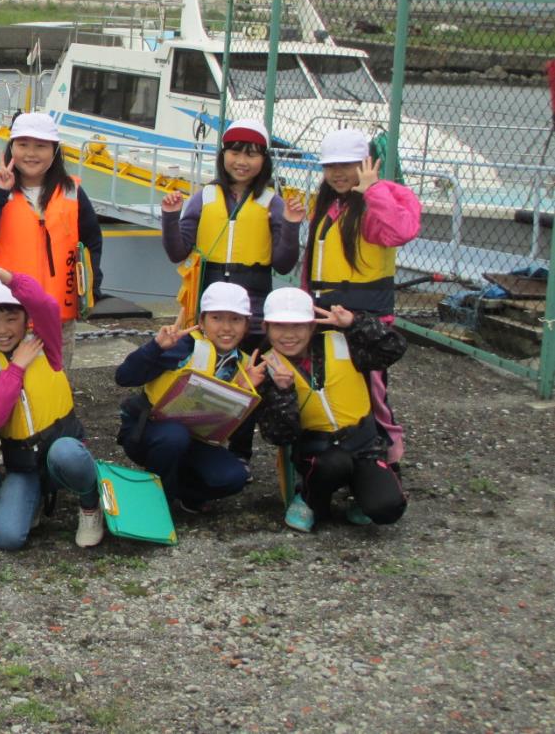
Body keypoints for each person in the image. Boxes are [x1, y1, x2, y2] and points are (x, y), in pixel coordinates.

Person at [159, 117, 304, 463]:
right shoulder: (203, 198)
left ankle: (240, 453)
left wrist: (293, 227)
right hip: (207, 305)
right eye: (235, 152)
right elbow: (178, 251)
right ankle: (198, 445)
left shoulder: (272, 202)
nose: (242, 161)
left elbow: (283, 263)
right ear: (223, 155)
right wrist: (170, 216)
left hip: (251, 310)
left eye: (252, 154)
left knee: (247, 380)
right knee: (202, 378)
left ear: (264, 160)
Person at [300, 128, 421, 464]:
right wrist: (303, 305)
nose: (337, 173)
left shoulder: (385, 198)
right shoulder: (328, 205)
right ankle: (329, 457)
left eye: (347, 164)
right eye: (330, 166)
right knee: (327, 385)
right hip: (325, 316)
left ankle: (387, 462)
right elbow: (313, 263)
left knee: (373, 396)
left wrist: (374, 190)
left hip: (366, 322)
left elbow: (401, 231)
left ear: (367, 162)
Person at [254, 287, 408, 531]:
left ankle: (362, 494)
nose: (289, 335)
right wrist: (284, 392)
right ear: (266, 328)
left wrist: (355, 323)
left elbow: (395, 348)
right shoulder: (265, 367)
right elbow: (278, 435)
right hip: (318, 450)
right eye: (279, 326)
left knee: (386, 509)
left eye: (298, 326)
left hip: (364, 444)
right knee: (333, 465)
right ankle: (309, 498)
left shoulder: (344, 342)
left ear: (312, 326)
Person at [0, 267, 104, 551]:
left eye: (11, 318)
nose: (2, 330)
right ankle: (34, 497)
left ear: (26, 320)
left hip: (60, 451)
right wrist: (16, 367)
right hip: (23, 464)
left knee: (66, 453)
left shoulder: (47, 345)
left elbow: (46, 305)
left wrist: (4, 275)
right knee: (6, 537)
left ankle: (91, 504)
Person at [0, 111, 105, 371]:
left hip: (55, 315)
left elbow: (91, 241)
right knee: (2, 390)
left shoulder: (72, 192)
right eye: (23, 145)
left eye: (41, 146)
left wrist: (92, 289)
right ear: (11, 148)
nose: (31, 153)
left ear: (55, 150)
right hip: (3, 315)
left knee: (53, 388)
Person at [113, 282, 266, 514]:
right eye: (217, 318)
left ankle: (182, 492)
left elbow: (230, 428)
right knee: (174, 436)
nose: (226, 327)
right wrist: (155, 348)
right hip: (149, 431)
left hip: (197, 440)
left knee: (234, 477)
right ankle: (155, 502)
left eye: (236, 319)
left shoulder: (245, 366)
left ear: (246, 325)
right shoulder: (183, 347)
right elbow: (124, 377)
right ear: (202, 321)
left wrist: (244, 391)